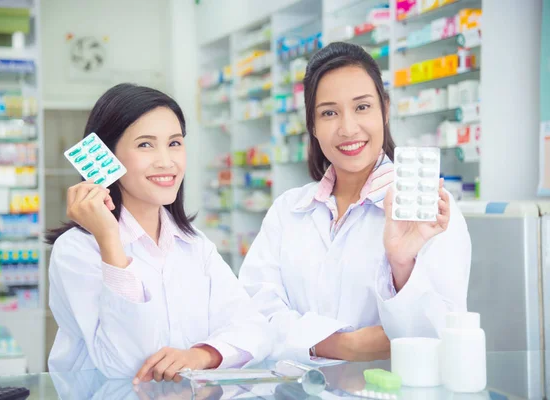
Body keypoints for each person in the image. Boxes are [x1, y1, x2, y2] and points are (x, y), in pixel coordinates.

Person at [238, 42, 471, 364]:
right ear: (313, 126)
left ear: (384, 110)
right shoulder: (288, 210)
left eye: (362, 107)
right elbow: (254, 315)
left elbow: (440, 335)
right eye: (329, 113)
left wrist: (402, 265)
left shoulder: (428, 209)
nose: (348, 129)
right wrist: (344, 346)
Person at [46, 83, 272, 382]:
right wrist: (110, 241)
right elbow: (123, 365)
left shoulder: (195, 245)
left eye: (175, 143)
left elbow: (255, 330)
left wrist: (202, 354)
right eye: (145, 144)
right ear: (106, 155)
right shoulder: (76, 250)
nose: (166, 161)